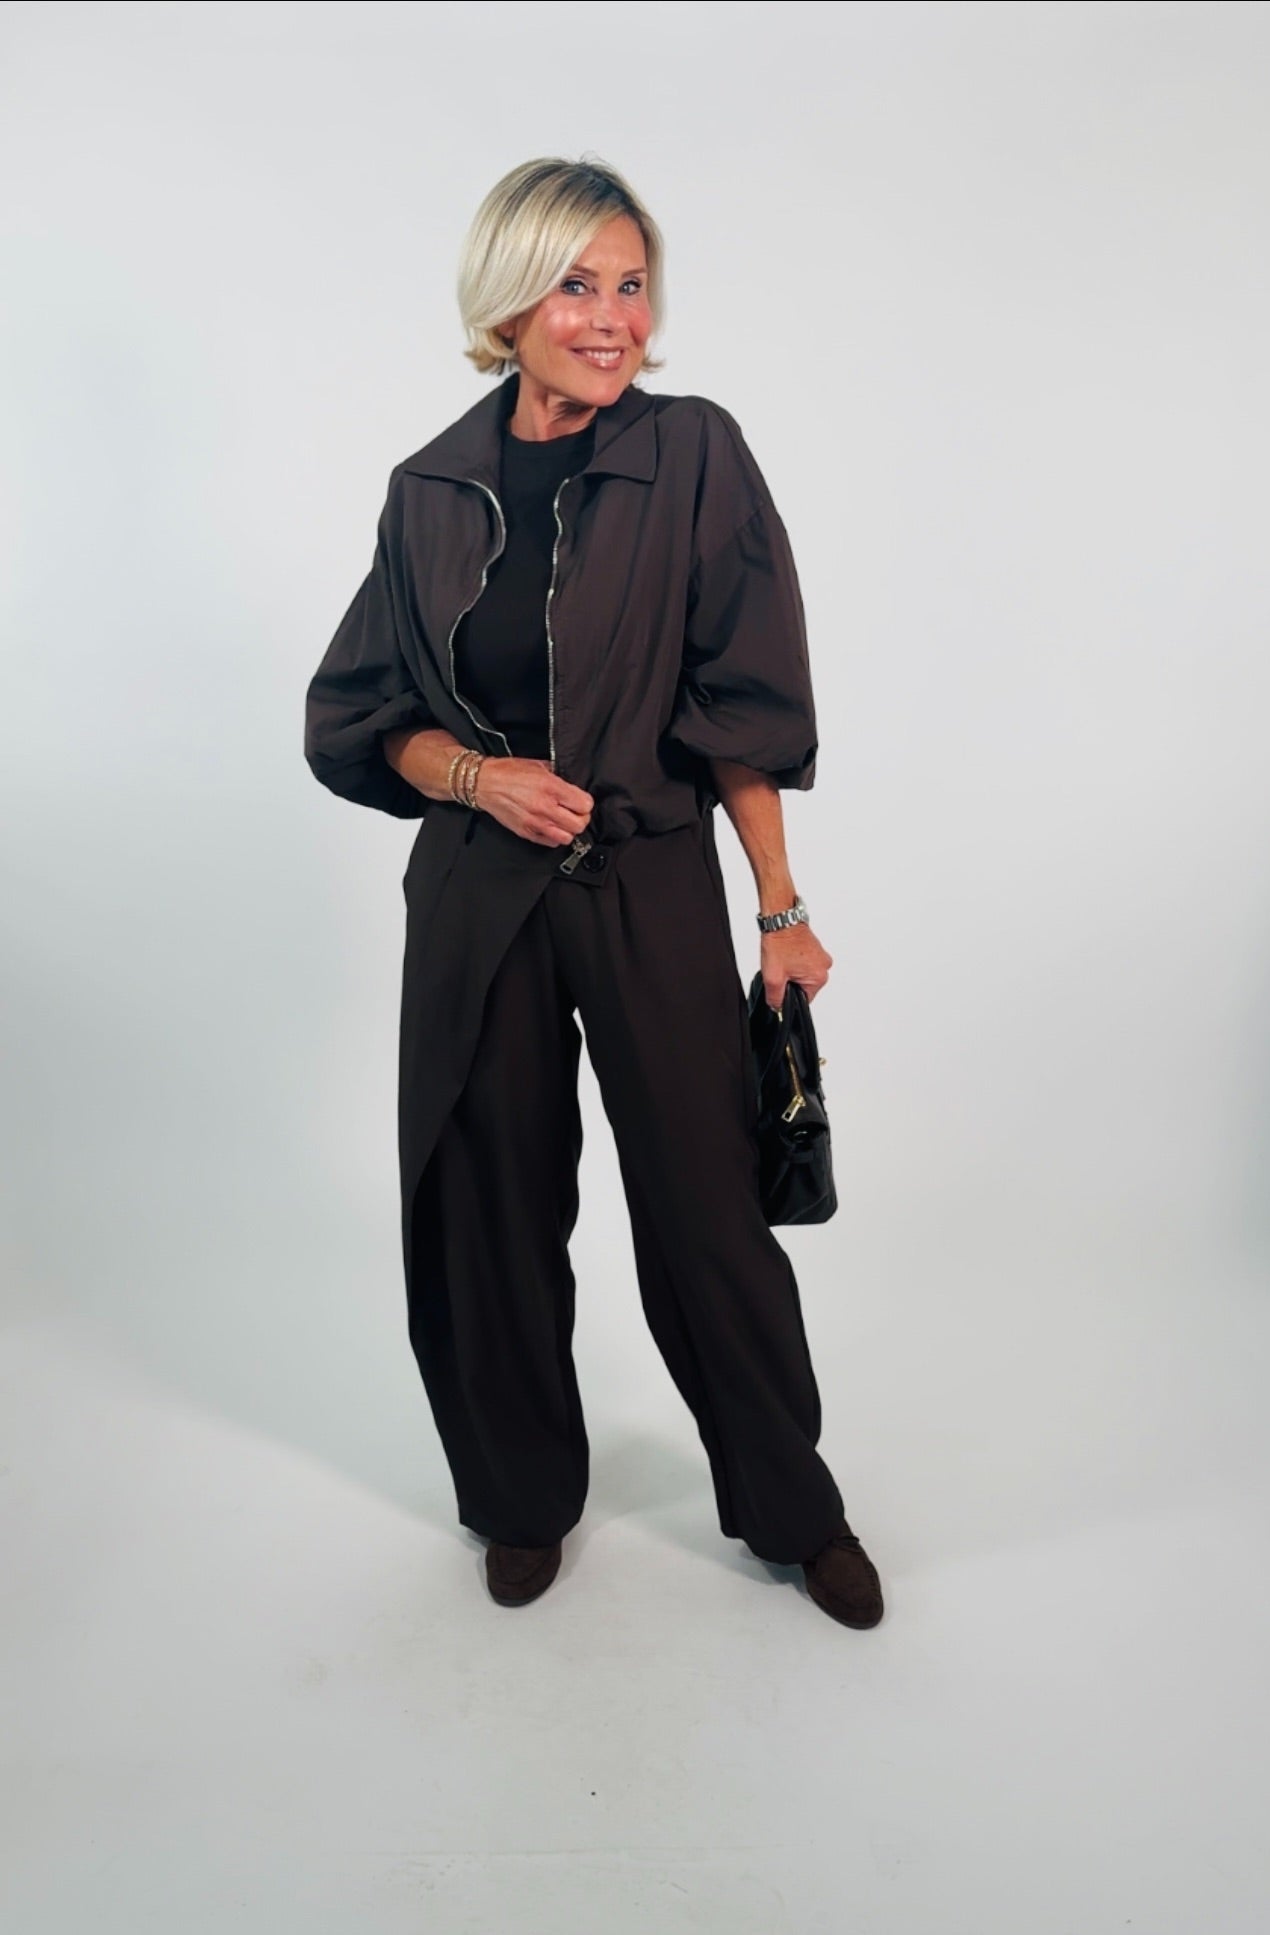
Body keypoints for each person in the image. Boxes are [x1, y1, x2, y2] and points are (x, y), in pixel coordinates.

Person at [303, 155, 883, 1629]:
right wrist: (476, 777)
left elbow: (739, 703)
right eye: (577, 284)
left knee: (706, 1204)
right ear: (510, 301)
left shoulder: (692, 453)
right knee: (485, 1198)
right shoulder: (429, 490)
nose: (614, 316)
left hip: (645, 877)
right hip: (477, 897)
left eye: (632, 285)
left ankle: (790, 1509)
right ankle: (518, 1500)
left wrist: (779, 907)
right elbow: (363, 715)